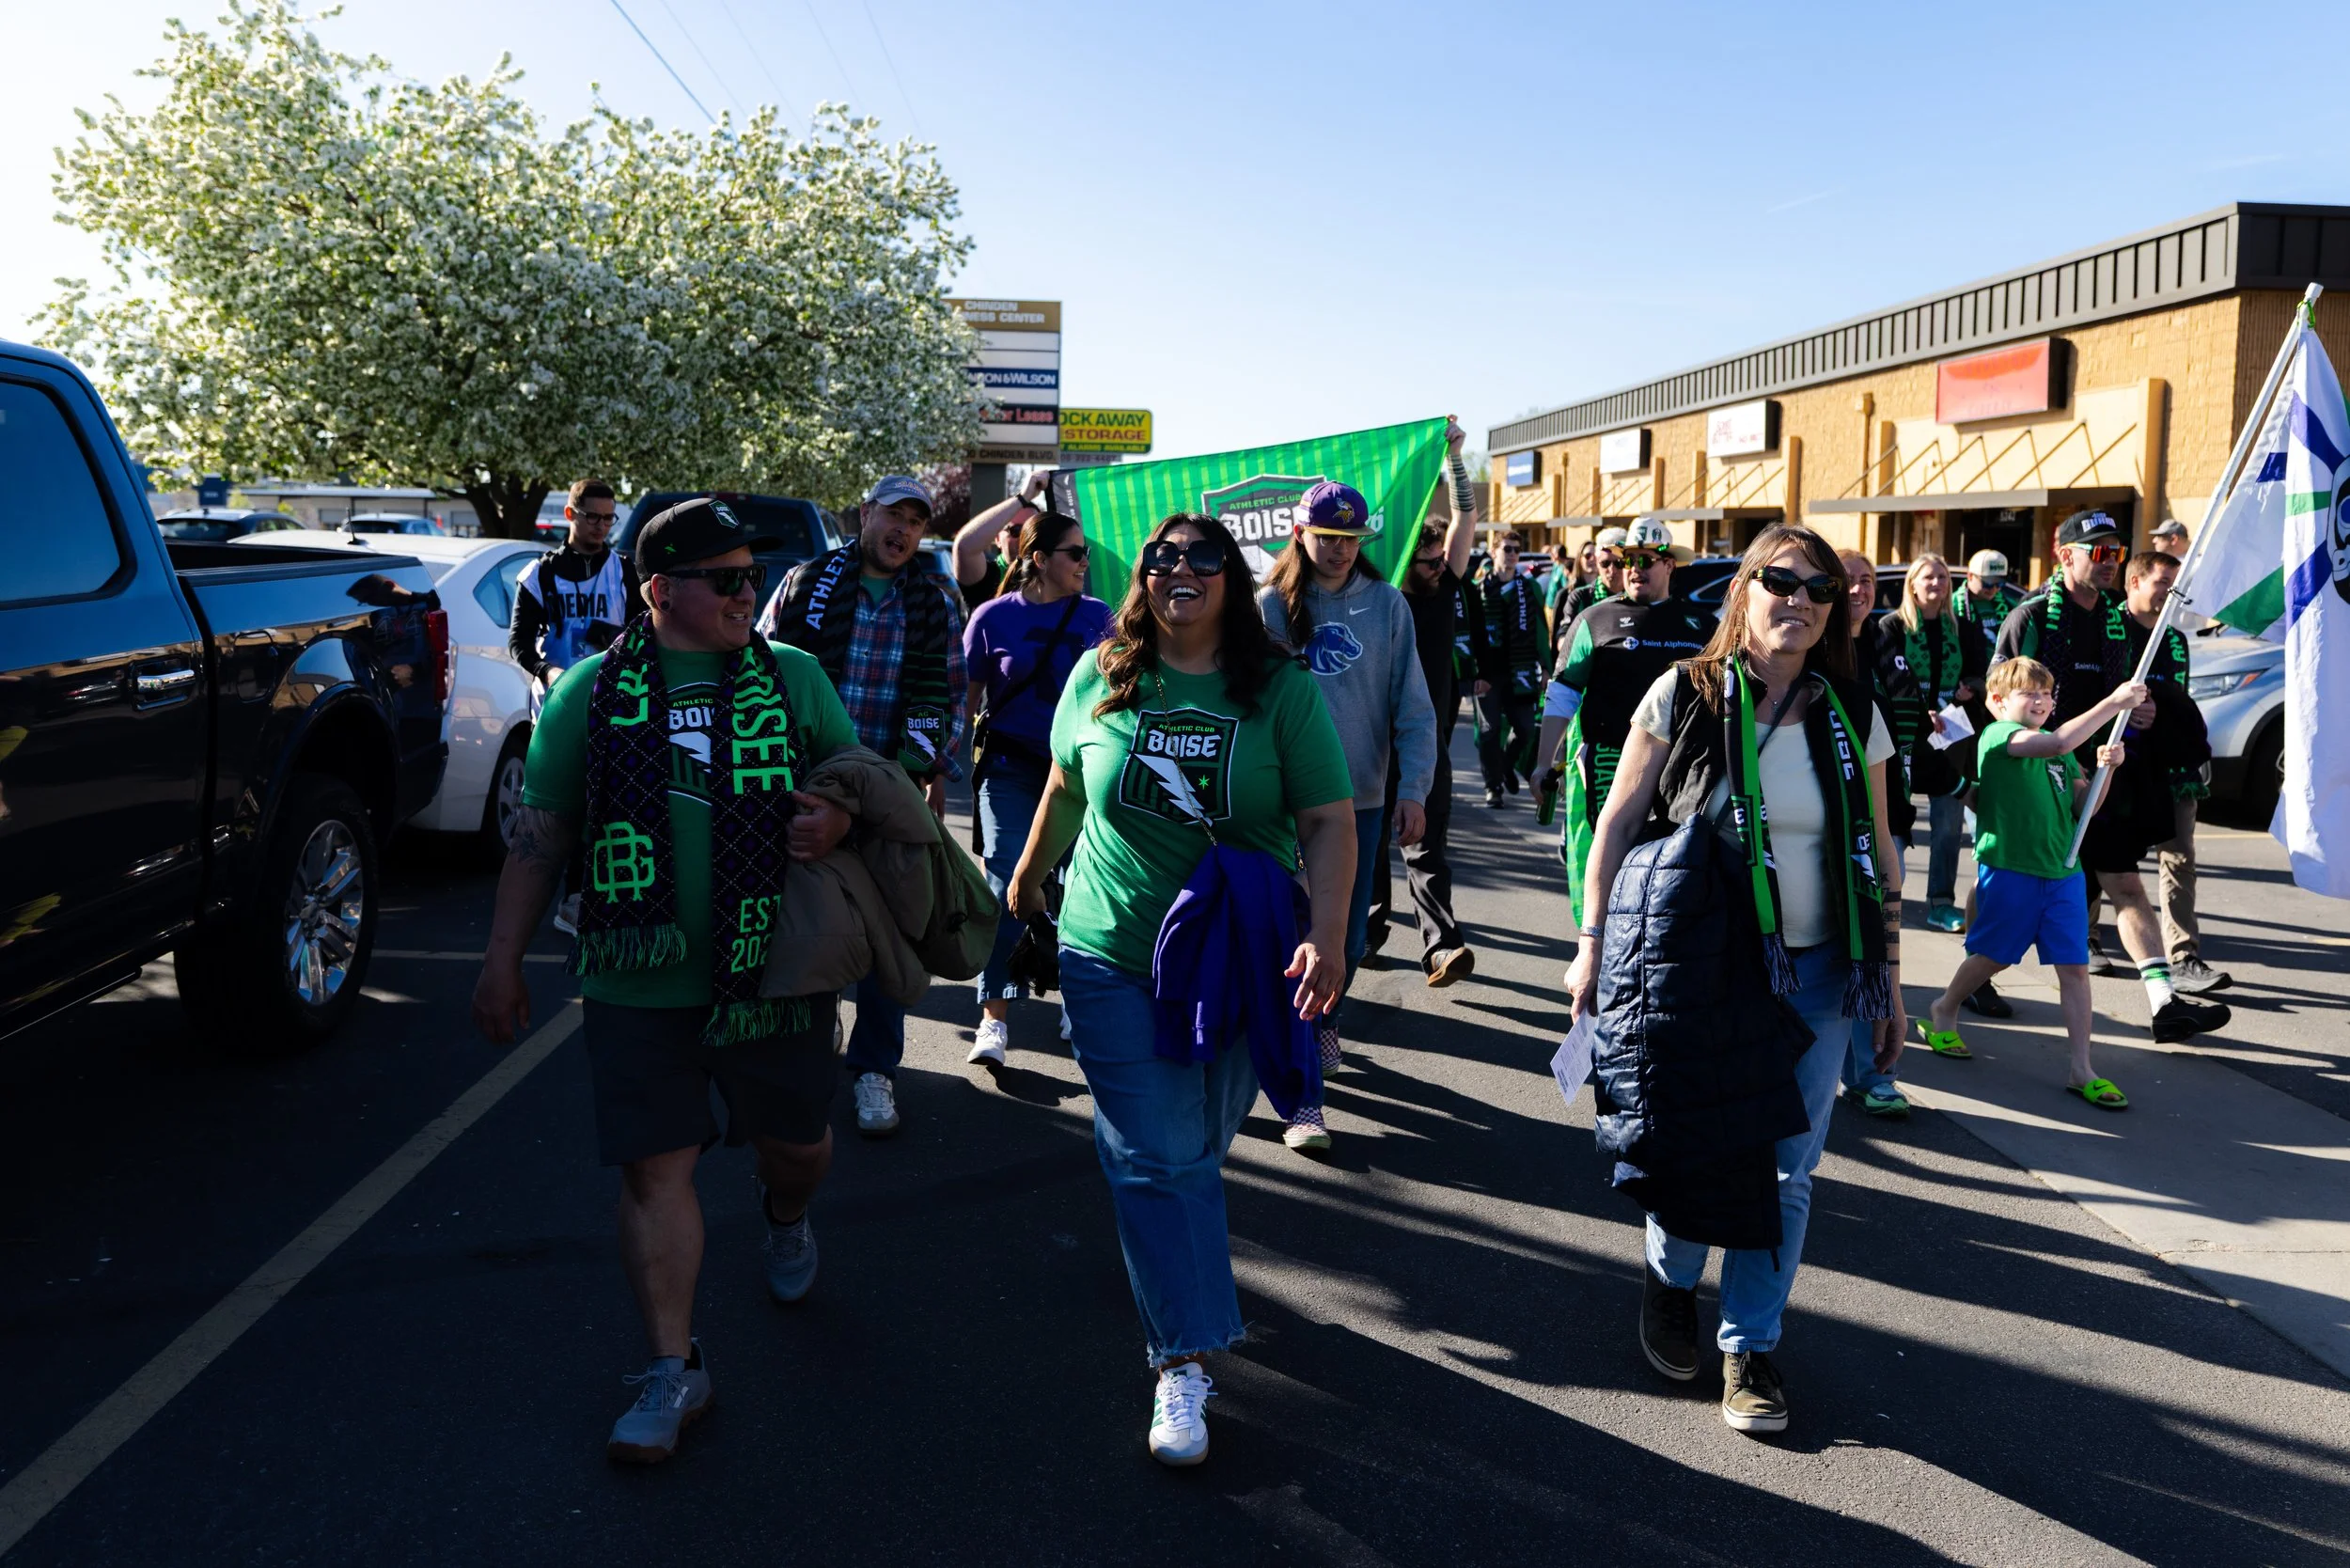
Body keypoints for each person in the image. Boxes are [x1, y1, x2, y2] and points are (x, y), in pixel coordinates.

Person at [471, 496, 864, 1464]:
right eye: (724, 579)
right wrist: (501, 960)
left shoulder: (794, 676)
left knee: (798, 1148)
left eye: (751, 575)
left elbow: (854, 777)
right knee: (656, 1171)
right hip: (636, 979)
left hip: (774, 974)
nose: (747, 593)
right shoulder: (589, 691)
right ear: (658, 590)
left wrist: (839, 819)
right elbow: (542, 835)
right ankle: (672, 1367)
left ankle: (785, 1213)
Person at [1009, 512, 1355, 1466]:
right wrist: (1028, 877)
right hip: (1109, 949)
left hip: (1238, 953)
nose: (1179, 570)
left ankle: (1167, 1270)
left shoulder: (1279, 688)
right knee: (1155, 1156)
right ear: (1143, 579)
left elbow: (1328, 820)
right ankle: (1183, 1361)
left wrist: (1328, 938)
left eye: (1203, 557)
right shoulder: (1102, 673)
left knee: (1194, 1146)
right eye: (1161, 558)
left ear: (1231, 580)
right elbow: (1064, 784)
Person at [1568, 524, 1903, 1436]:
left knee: (1790, 1167)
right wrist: (1592, 942)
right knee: (1695, 1144)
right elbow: (1616, 823)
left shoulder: (1851, 709)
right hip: (1702, 963)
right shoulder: (1683, 692)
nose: (1800, 601)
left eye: (1819, 589)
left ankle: (1749, 1344)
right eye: (1780, 582)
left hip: (1821, 969)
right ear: (1742, 591)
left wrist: (1888, 977)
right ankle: (1671, 1284)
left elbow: (1879, 851)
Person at [758, 475, 970, 1136]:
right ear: (865, 514)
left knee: (890, 931)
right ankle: (816, 1032)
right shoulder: (804, 584)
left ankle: (875, 1070)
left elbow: (952, 700)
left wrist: (926, 771)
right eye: (893, 514)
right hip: (806, 789)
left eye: (916, 520)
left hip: (891, 793)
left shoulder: (936, 602)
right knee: (813, 924)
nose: (903, 529)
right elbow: (758, 670)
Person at [1995, 512, 2229, 1043]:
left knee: (2125, 883)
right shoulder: (2031, 616)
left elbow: (2127, 691)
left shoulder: (2118, 622)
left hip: (2103, 774)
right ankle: (1967, 986)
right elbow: (1997, 699)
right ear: (2065, 556)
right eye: (2098, 552)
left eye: (2117, 553)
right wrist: (2045, 750)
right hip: (2039, 776)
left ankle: (2164, 1002)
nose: (2110, 563)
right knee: (2008, 887)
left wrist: (2140, 713)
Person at [1259, 481, 1437, 1151]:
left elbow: (1413, 706)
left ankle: (1325, 1021)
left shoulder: (1387, 604)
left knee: (1349, 939)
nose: (1339, 550)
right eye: (1327, 537)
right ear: (1299, 534)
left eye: (1351, 539)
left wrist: (1413, 789)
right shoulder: (1268, 607)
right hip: (1278, 805)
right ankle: (1300, 1074)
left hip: (1359, 802)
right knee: (1289, 936)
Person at [1917, 660, 2145, 1106]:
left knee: (2074, 969)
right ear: (1998, 701)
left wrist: (2107, 771)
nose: (2040, 701)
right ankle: (1945, 1007)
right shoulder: (1999, 735)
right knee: (1994, 957)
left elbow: (2084, 806)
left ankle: (2082, 1068)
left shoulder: (2062, 749)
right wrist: (2113, 703)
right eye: (2028, 693)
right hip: (2011, 869)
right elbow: (2056, 741)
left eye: (2046, 693)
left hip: (2063, 873)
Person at [962, 508, 1114, 1064]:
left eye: (1085, 552)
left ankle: (1073, 994)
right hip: (1009, 766)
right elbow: (965, 701)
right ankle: (993, 1018)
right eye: (1075, 553)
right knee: (1008, 878)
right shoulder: (991, 617)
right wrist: (938, 774)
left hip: (1079, 773)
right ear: (1039, 559)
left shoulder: (1100, 617)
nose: (1084, 562)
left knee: (1077, 888)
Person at [1538, 516, 1711, 930]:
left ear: (1669, 565)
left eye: (1646, 560)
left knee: (1670, 866)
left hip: (1682, 769)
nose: (1634, 569)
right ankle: (1597, 945)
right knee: (1609, 858)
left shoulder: (1703, 625)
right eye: (1628, 560)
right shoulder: (1594, 619)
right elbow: (1562, 692)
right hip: (1608, 761)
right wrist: (1543, 762)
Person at [2087, 552, 2232, 994]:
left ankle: (2184, 956)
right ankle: (2086, 938)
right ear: (2134, 582)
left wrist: (2159, 712)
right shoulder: (2107, 627)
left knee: (2179, 857)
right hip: (2116, 764)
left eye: (2176, 583)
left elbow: (2178, 699)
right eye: (2163, 582)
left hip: (2168, 766)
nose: (2172, 592)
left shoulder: (2174, 638)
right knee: (2099, 856)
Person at [1373, 423, 1484, 985]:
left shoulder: (1448, 587)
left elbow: (1466, 517)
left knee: (1427, 848)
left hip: (1429, 743)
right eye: (1428, 561)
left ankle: (1442, 947)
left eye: (1442, 559)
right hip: (1372, 744)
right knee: (1367, 848)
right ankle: (1365, 930)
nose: (1440, 567)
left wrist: (1455, 460)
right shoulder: (1383, 595)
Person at [1878, 555, 1986, 937]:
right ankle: (1881, 896)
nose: (1937, 582)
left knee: (1947, 824)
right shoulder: (1891, 627)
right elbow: (1884, 679)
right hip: (1904, 735)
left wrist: (1968, 688)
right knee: (1890, 818)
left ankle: (1940, 903)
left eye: (1942, 576)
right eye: (1928, 576)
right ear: (1912, 583)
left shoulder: (1963, 628)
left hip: (1951, 730)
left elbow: (1981, 672)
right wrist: (1919, 708)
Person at [509, 478, 645, 704]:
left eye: (608, 518)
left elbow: (646, 634)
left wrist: (616, 636)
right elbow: (518, 643)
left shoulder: (624, 572)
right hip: (556, 699)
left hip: (610, 698)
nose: (601, 526)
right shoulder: (539, 574)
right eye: (592, 516)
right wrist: (547, 672)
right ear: (570, 513)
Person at [1477, 530, 1549, 807]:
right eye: (1507, 549)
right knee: (1489, 730)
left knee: (1526, 729)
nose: (1512, 555)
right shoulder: (1480, 587)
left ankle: (1506, 764)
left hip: (1521, 668)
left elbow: (1540, 630)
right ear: (1494, 551)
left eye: (1517, 550)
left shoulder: (1529, 588)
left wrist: (1546, 668)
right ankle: (1493, 787)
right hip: (1488, 671)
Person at [954, 469, 1048, 610]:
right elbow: (964, 546)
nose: (1024, 537)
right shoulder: (989, 576)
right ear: (998, 539)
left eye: (1032, 530)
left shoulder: (1050, 577)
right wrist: (1022, 498)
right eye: (1016, 530)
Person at [1952, 549, 2024, 650]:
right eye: (1988, 583)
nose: (1994, 589)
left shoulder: (2009, 605)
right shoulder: (1952, 605)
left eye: (1999, 584)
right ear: (1970, 576)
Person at [1561, 525, 1629, 621]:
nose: (1612, 570)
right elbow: (1565, 629)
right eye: (1605, 563)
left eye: (1619, 563)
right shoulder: (1580, 597)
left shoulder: (1639, 595)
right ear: (1597, 562)